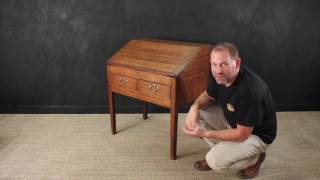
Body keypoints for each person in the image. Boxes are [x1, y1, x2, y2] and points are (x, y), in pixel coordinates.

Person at [182, 42, 277, 179]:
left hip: (255, 134)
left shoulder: (250, 92)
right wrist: (194, 107)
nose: (218, 70)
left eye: (223, 64)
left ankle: (255, 159)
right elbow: (207, 96)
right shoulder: (219, 74)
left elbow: (242, 134)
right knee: (199, 113)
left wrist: (205, 133)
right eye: (214, 64)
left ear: (237, 63)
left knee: (215, 161)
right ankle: (225, 150)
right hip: (236, 121)